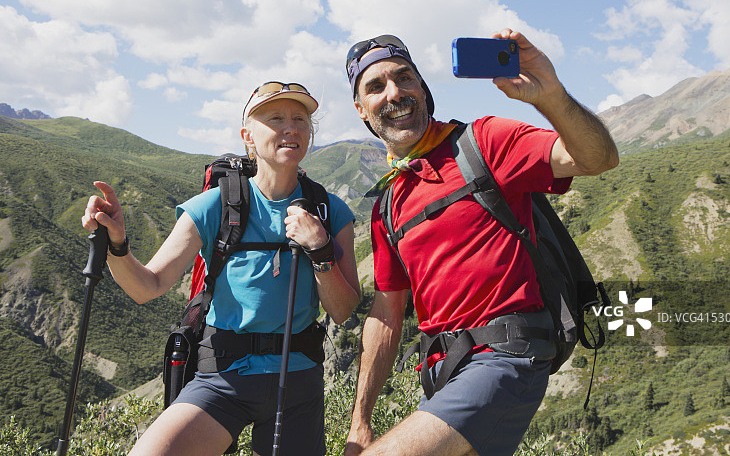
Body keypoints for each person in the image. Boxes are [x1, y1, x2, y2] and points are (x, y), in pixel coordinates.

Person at [343, 30, 619, 456]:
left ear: (423, 86)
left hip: (506, 356)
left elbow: (597, 158)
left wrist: (550, 95)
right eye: (376, 86)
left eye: (405, 78)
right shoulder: (387, 204)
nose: (395, 92)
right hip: (442, 377)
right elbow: (386, 312)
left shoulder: (482, 142)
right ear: (362, 109)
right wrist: (360, 421)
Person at [81, 81, 361, 456]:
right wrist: (117, 244)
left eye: (300, 119)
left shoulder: (330, 211)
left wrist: (319, 247)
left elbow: (343, 310)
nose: (290, 128)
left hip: (296, 380)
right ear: (248, 136)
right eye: (275, 118)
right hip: (222, 377)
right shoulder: (215, 206)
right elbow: (146, 286)